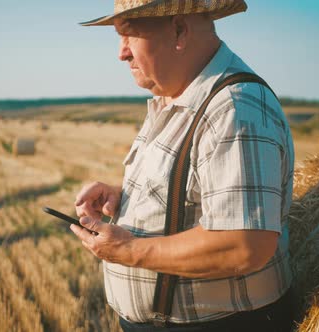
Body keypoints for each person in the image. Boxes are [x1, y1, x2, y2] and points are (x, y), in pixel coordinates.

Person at [70, 1, 295, 331]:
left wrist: (128, 249)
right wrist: (126, 198)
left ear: (179, 30)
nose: (122, 53)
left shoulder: (233, 108)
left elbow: (244, 245)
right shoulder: (177, 98)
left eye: (129, 36)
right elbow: (192, 188)